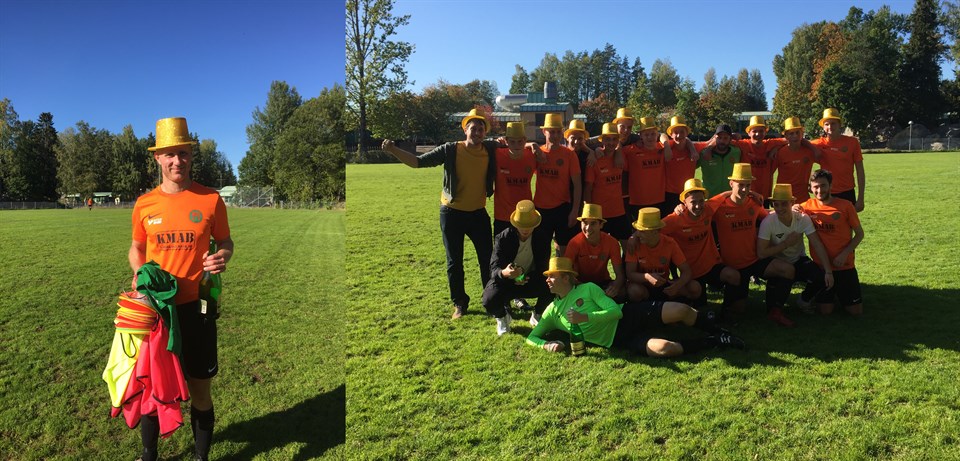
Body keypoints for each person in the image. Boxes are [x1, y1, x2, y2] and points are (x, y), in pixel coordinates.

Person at [129, 117, 233, 461]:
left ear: (191, 155)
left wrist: (222, 256)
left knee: (200, 390)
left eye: (184, 153)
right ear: (157, 158)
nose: (178, 161)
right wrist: (140, 271)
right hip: (158, 313)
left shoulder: (211, 199)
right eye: (170, 154)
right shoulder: (144, 204)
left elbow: (226, 241)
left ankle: (201, 457)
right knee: (153, 388)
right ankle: (149, 456)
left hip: (198, 309)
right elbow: (136, 247)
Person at [382, 109, 501, 319]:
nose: (477, 133)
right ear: (465, 130)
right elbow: (417, 162)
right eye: (473, 128)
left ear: (485, 133)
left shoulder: (491, 148)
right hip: (452, 213)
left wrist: (531, 146)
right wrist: (393, 150)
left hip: (478, 213)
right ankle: (460, 303)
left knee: (487, 260)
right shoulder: (450, 149)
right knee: (454, 261)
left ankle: (490, 300)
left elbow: (517, 144)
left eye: (481, 129)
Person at [526, 257, 745, 357]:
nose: (547, 280)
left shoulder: (588, 289)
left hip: (628, 315)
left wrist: (585, 318)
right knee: (666, 349)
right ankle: (713, 341)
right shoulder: (552, 311)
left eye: (552, 276)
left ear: (566, 278)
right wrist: (546, 345)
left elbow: (616, 312)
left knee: (682, 310)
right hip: (618, 340)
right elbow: (532, 337)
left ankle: (719, 331)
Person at [707, 163, 796, 323]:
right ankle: (728, 308)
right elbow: (699, 209)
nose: (744, 189)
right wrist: (727, 193)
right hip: (734, 266)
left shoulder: (753, 204)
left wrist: (794, 210)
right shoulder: (719, 207)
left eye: (748, 185)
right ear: (731, 183)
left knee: (787, 270)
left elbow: (768, 216)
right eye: (740, 185)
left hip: (755, 260)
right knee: (739, 310)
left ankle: (775, 310)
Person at [661, 178, 741, 308]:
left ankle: (727, 313)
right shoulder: (675, 219)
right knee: (700, 306)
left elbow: (726, 194)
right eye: (693, 202)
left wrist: (753, 194)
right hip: (691, 273)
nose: (698, 206)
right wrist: (635, 237)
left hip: (711, 266)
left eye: (701, 201)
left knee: (734, 276)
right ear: (684, 202)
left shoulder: (708, 208)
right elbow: (652, 229)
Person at [757, 184, 835, 316]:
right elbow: (761, 253)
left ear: (792, 203)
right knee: (770, 308)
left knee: (820, 277)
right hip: (777, 262)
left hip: (798, 260)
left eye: (784, 204)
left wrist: (828, 271)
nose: (780, 208)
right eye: (776, 204)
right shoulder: (768, 222)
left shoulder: (802, 218)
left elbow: (817, 243)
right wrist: (786, 243)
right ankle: (776, 302)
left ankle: (804, 300)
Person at [798, 169, 865, 315]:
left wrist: (844, 254)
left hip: (844, 265)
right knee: (825, 312)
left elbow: (860, 234)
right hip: (821, 267)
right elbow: (786, 211)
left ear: (831, 186)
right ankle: (821, 295)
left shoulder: (846, 206)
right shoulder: (807, 206)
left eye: (823, 185)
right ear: (810, 188)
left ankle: (839, 293)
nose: (819, 190)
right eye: (815, 187)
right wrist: (793, 207)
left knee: (855, 312)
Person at [482, 200, 552, 334]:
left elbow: (543, 267)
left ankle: (537, 314)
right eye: (521, 226)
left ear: (535, 224)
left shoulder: (542, 237)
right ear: (515, 224)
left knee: (553, 284)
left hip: (531, 280)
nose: (525, 229)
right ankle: (502, 317)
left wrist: (525, 277)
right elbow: (494, 269)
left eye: (529, 226)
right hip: (507, 282)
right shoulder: (502, 238)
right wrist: (505, 273)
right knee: (488, 299)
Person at [625, 208, 701, 302]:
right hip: (643, 286)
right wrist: (647, 277)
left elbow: (686, 271)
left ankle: (680, 305)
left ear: (655, 231)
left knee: (695, 287)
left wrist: (676, 286)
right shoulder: (634, 244)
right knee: (634, 290)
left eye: (642, 231)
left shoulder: (670, 243)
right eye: (637, 230)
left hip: (664, 286)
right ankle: (645, 308)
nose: (637, 234)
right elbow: (630, 274)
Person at [532, 113, 582, 257]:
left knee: (563, 250)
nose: (555, 135)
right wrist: (531, 144)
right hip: (541, 209)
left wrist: (574, 211)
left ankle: (561, 271)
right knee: (541, 250)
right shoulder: (537, 153)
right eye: (551, 132)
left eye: (558, 132)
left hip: (562, 209)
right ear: (544, 132)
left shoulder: (569, 155)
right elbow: (516, 147)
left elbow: (577, 185)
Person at [564, 203, 626, 301]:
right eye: (585, 223)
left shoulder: (612, 242)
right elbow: (566, 272)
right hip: (580, 284)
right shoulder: (574, 243)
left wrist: (615, 287)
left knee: (623, 292)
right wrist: (582, 287)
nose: (588, 228)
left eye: (593, 223)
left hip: (603, 283)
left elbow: (620, 275)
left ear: (601, 225)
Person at [583, 123, 631, 244]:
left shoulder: (621, 157)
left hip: (618, 211)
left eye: (614, 139)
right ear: (602, 140)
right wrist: (589, 211)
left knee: (627, 245)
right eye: (608, 139)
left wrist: (619, 151)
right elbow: (588, 188)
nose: (611, 142)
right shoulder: (595, 159)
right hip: (599, 214)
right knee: (599, 247)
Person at [811, 108, 866, 212]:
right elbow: (798, 142)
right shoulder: (818, 144)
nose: (830, 127)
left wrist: (861, 198)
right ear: (823, 127)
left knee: (848, 222)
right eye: (827, 124)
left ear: (839, 124)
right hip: (826, 192)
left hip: (847, 192)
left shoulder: (852, 142)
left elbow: (860, 171)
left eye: (833, 123)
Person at [492, 122, 537, 236]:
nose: (516, 145)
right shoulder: (497, 154)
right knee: (501, 247)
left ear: (525, 140)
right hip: (502, 215)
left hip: (525, 215)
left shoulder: (532, 156)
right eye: (512, 142)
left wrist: (533, 145)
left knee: (525, 247)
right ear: (506, 141)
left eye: (520, 141)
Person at [623, 117, 672, 219]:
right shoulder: (630, 150)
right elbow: (613, 150)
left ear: (657, 134)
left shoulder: (662, 148)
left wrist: (666, 145)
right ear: (640, 136)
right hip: (638, 201)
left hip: (660, 199)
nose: (650, 137)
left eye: (653, 134)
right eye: (646, 134)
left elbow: (683, 140)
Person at [734, 115, 788, 207]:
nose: (758, 134)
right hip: (747, 194)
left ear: (765, 132)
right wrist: (732, 135)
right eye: (754, 131)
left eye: (761, 131)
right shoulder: (743, 144)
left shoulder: (770, 144)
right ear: (749, 133)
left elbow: (790, 139)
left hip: (764, 195)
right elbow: (723, 140)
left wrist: (776, 148)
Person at [771, 117, 818, 202]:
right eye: (791, 133)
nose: (795, 136)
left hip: (802, 196)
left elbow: (822, 160)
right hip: (784, 195)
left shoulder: (809, 151)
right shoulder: (780, 152)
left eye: (797, 132)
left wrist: (814, 182)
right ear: (786, 136)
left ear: (802, 134)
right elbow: (770, 173)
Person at [663, 116, 700, 211]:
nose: (679, 135)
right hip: (669, 194)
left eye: (682, 132)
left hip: (688, 192)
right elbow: (661, 135)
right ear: (671, 135)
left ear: (687, 133)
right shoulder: (667, 147)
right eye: (676, 132)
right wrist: (666, 145)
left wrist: (692, 148)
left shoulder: (695, 148)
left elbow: (712, 142)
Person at [696, 124, 742, 196]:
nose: (722, 141)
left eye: (725, 138)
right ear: (715, 138)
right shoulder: (703, 154)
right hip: (710, 197)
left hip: (729, 196)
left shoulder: (736, 152)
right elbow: (690, 167)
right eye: (719, 138)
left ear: (730, 139)